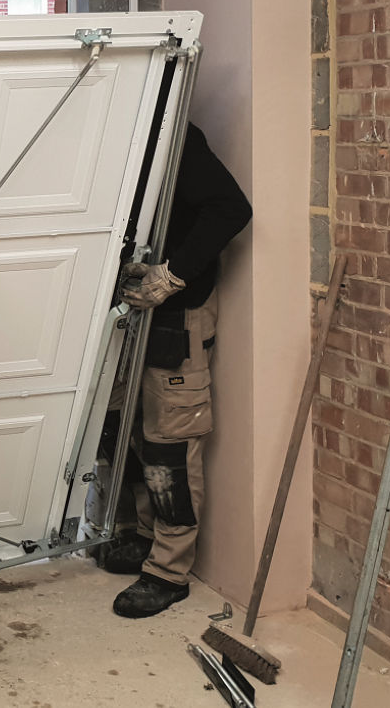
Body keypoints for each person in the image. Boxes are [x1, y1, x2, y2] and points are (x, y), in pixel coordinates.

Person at [100, 123, 252, 618]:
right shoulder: (113, 123)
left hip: (176, 315)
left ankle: (168, 571)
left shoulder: (171, 136)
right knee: (125, 432)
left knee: (169, 446)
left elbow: (232, 208)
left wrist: (173, 274)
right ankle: (147, 537)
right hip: (131, 310)